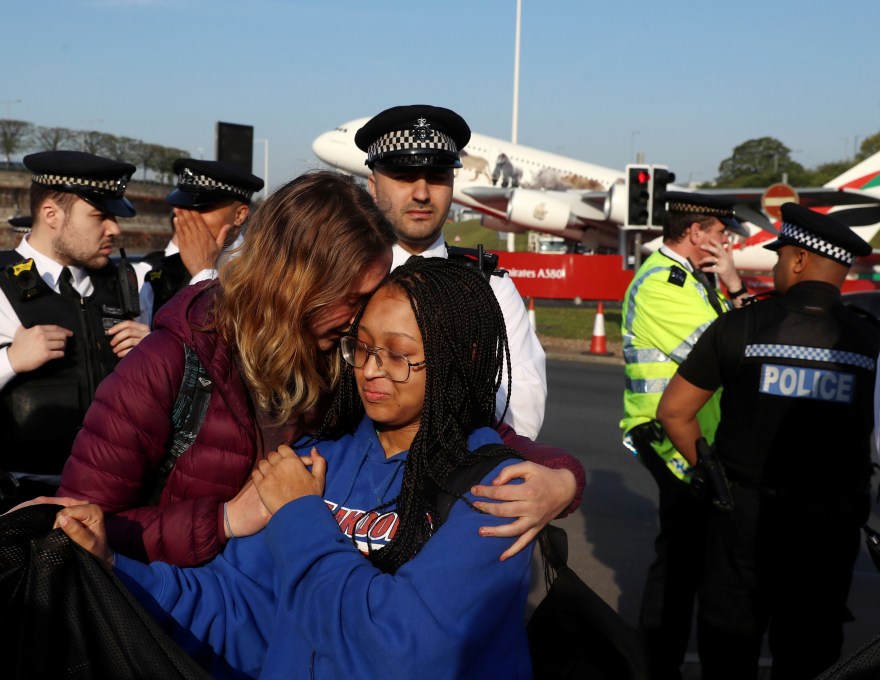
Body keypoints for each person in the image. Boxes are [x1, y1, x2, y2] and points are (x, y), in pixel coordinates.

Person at [58, 256, 537, 679]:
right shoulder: (320, 457)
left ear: (462, 359)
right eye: (363, 347)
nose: (371, 369)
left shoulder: (499, 494)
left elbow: (398, 655)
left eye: (398, 355)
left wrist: (301, 514)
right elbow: (235, 605)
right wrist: (114, 568)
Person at [58, 170, 396, 566]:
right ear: (296, 282)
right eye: (352, 299)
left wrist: (487, 479)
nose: (360, 319)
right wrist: (225, 520)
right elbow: (77, 530)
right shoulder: (168, 363)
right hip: (162, 617)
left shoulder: (342, 366)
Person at [657, 203, 880, 679]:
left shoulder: (741, 327)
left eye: (780, 257)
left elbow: (674, 412)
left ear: (798, 260)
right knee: (810, 653)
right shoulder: (868, 340)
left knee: (728, 649)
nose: (776, 266)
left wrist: (712, 475)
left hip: (743, 523)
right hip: (829, 530)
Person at [356, 105, 584, 553]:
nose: (422, 192)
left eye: (438, 176)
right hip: (350, 495)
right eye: (404, 176)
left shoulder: (490, 287)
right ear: (371, 183)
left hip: (454, 505)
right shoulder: (345, 278)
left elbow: (519, 409)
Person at [0, 150, 150, 516]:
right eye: (100, 216)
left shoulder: (130, 285)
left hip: (112, 507)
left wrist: (153, 356)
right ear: (51, 215)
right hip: (16, 510)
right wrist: (7, 362)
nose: (115, 229)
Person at [619, 190, 748, 679]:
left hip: (693, 434)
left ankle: (659, 661)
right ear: (696, 233)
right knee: (680, 561)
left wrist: (731, 286)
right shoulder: (663, 285)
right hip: (670, 438)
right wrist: (735, 287)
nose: (727, 242)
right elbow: (733, 352)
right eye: (721, 234)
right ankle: (657, 665)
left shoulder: (692, 280)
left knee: (686, 557)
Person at [138, 158, 264, 323]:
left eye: (202, 208)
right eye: (184, 207)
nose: (188, 218)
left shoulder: (261, 271)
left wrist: (203, 272)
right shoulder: (158, 273)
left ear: (239, 215)